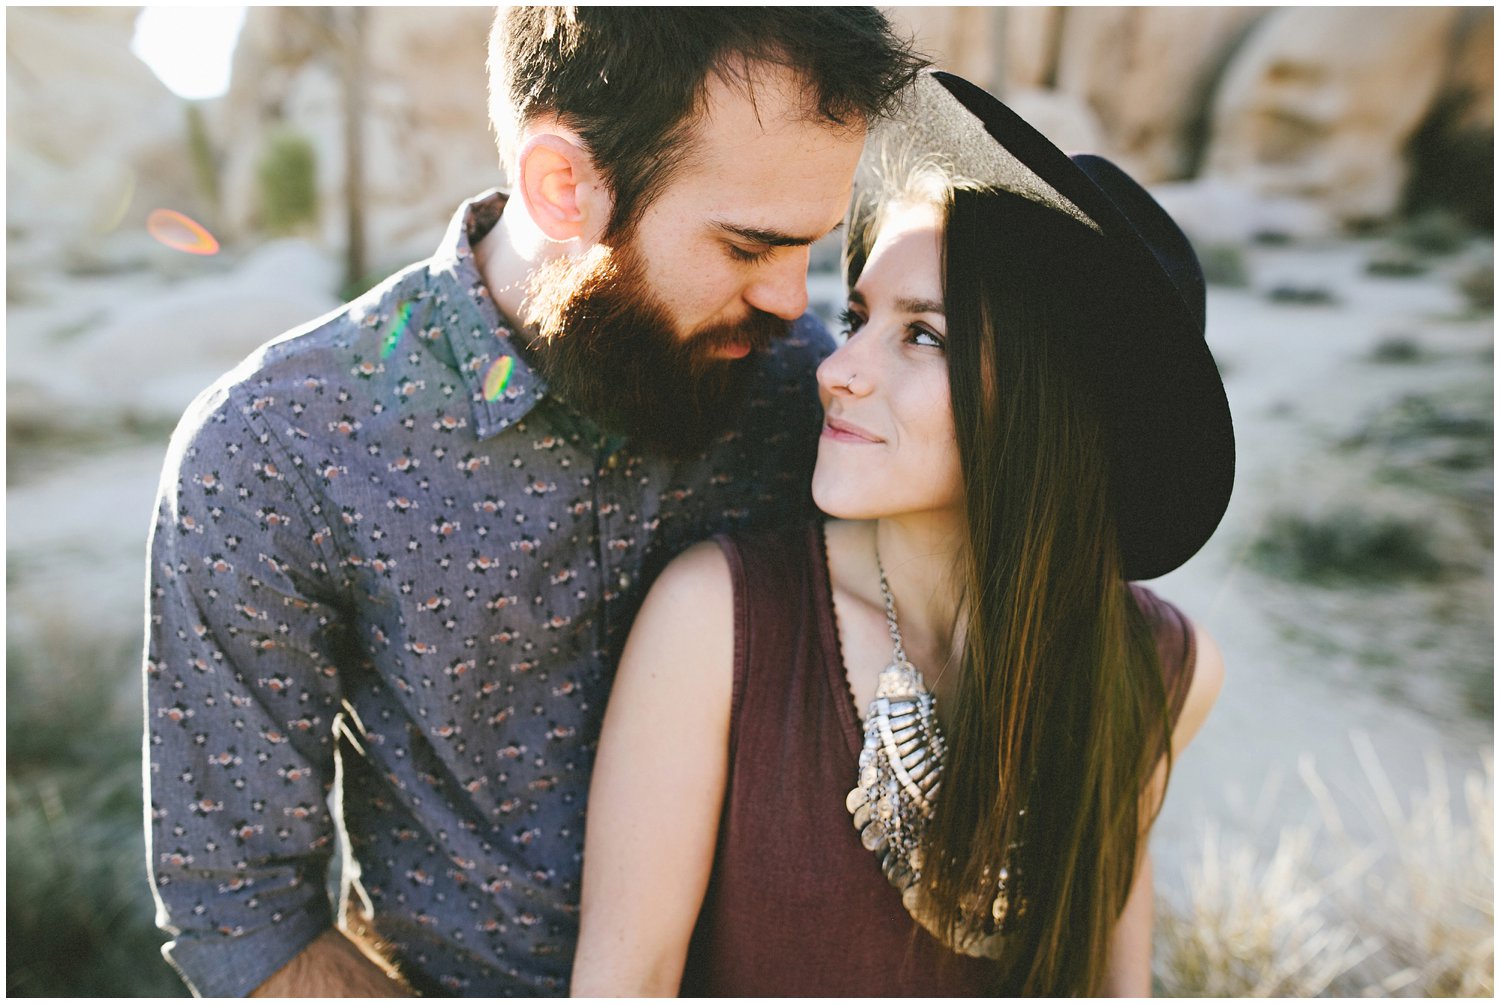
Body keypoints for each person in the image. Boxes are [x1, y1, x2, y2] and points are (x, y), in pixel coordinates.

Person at [143, 8, 924, 996]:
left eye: (810, 249)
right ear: (563, 187)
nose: (790, 301)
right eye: (745, 246)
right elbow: (246, 915)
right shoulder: (275, 449)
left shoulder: (811, 400)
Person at [571, 70, 1236, 996]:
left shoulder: (1163, 669)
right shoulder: (720, 625)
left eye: (922, 335)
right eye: (858, 318)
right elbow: (626, 982)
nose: (837, 369)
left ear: (1051, 407)